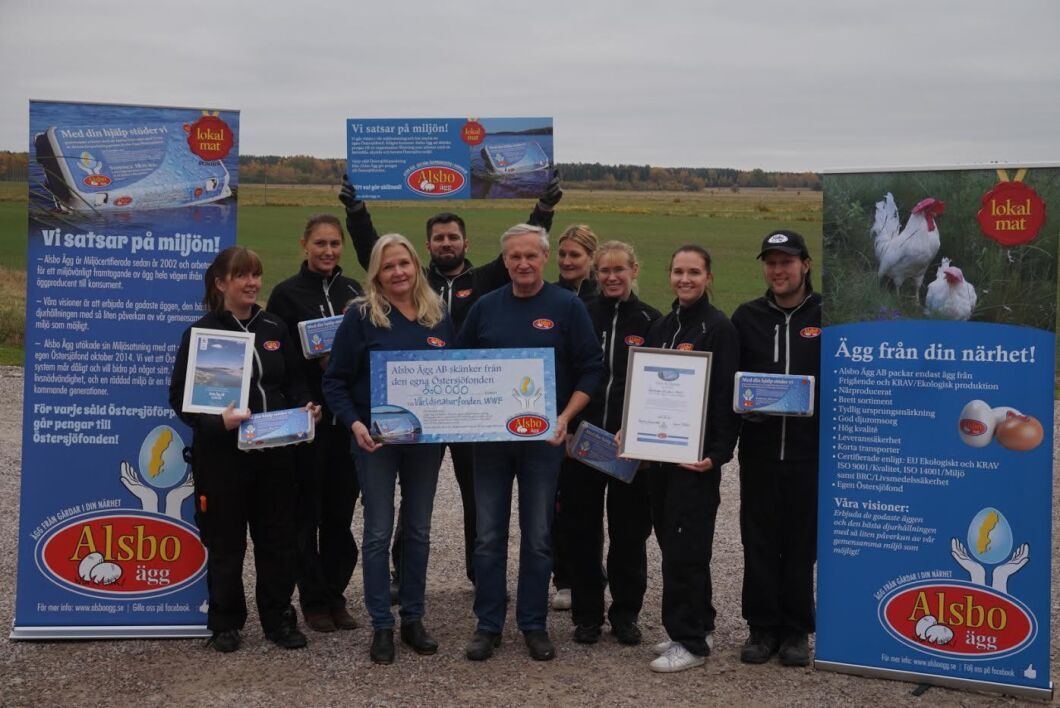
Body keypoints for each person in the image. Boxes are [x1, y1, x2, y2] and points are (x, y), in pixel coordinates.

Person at [339, 173, 563, 592]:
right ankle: (401, 571)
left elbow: (523, 251)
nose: (446, 244)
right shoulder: (412, 280)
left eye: (453, 238)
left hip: (471, 408)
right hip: (417, 409)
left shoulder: (483, 281)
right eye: (438, 238)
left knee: (477, 495)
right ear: (428, 246)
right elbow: (376, 252)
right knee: (412, 503)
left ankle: (480, 574)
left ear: (465, 243)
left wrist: (544, 210)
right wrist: (356, 212)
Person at [457, 223, 604, 662]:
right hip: (492, 443)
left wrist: (564, 418)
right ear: (504, 261)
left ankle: (533, 624)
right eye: (514, 256)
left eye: (531, 256)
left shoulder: (566, 306)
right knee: (487, 536)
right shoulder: (485, 308)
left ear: (543, 259)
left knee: (539, 536)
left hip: (543, 441)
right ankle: (488, 624)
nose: (523, 263)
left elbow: (591, 368)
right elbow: (459, 367)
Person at [169, 246, 321, 653]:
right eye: (242, 276)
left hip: (275, 455)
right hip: (221, 459)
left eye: (256, 275)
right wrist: (218, 423)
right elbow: (180, 401)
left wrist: (307, 406)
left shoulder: (273, 326)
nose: (252, 283)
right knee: (225, 543)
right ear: (221, 283)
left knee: (277, 541)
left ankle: (278, 620)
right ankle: (225, 622)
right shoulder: (201, 334)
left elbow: (295, 382)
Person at [322, 234, 454, 665]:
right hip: (374, 441)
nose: (398, 272)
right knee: (378, 533)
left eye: (404, 264)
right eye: (388, 266)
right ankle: (382, 623)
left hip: (424, 444)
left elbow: (456, 377)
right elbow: (335, 381)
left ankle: (413, 618)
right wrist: (355, 423)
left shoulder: (438, 316)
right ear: (376, 273)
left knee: (417, 531)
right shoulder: (362, 316)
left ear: (416, 266)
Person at [644, 244, 740, 673]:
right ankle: (698, 623)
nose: (685, 279)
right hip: (660, 458)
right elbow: (644, 389)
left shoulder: (718, 328)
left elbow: (725, 397)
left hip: (694, 461)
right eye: (678, 271)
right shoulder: (663, 326)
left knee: (687, 549)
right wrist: (634, 426)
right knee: (673, 543)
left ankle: (690, 644)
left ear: (708, 277)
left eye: (694, 272)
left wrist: (717, 454)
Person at [266, 214, 363, 634]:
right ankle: (312, 599)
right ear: (304, 244)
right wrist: (306, 391)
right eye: (320, 243)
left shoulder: (354, 292)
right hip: (310, 421)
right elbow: (279, 358)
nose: (328, 251)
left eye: (334, 244)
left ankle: (336, 594)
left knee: (341, 515)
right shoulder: (286, 294)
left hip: (348, 421)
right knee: (308, 513)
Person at [731, 230, 821, 667]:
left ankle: (797, 630)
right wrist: (743, 405)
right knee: (760, 541)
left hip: (810, 453)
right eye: (770, 262)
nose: (778, 270)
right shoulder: (747, 316)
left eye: (787, 261)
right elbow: (730, 380)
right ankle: (761, 628)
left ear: (805, 264)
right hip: (761, 452)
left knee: (802, 543)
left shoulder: (828, 315)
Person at [564, 241, 660, 643]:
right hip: (581, 444)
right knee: (582, 530)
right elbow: (564, 371)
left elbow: (659, 386)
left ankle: (625, 613)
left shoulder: (651, 320)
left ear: (634, 270)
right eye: (604, 270)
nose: (612, 277)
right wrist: (566, 425)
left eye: (620, 269)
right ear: (594, 273)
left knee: (629, 533)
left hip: (629, 448)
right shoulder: (579, 315)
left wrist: (642, 433)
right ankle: (587, 615)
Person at [549, 224, 600, 611]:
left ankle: (592, 579)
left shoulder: (604, 300)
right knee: (557, 503)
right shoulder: (548, 297)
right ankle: (563, 577)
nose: (567, 261)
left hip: (594, 417)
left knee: (589, 506)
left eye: (575, 255)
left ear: (591, 259)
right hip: (553, 418)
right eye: (563, 254)